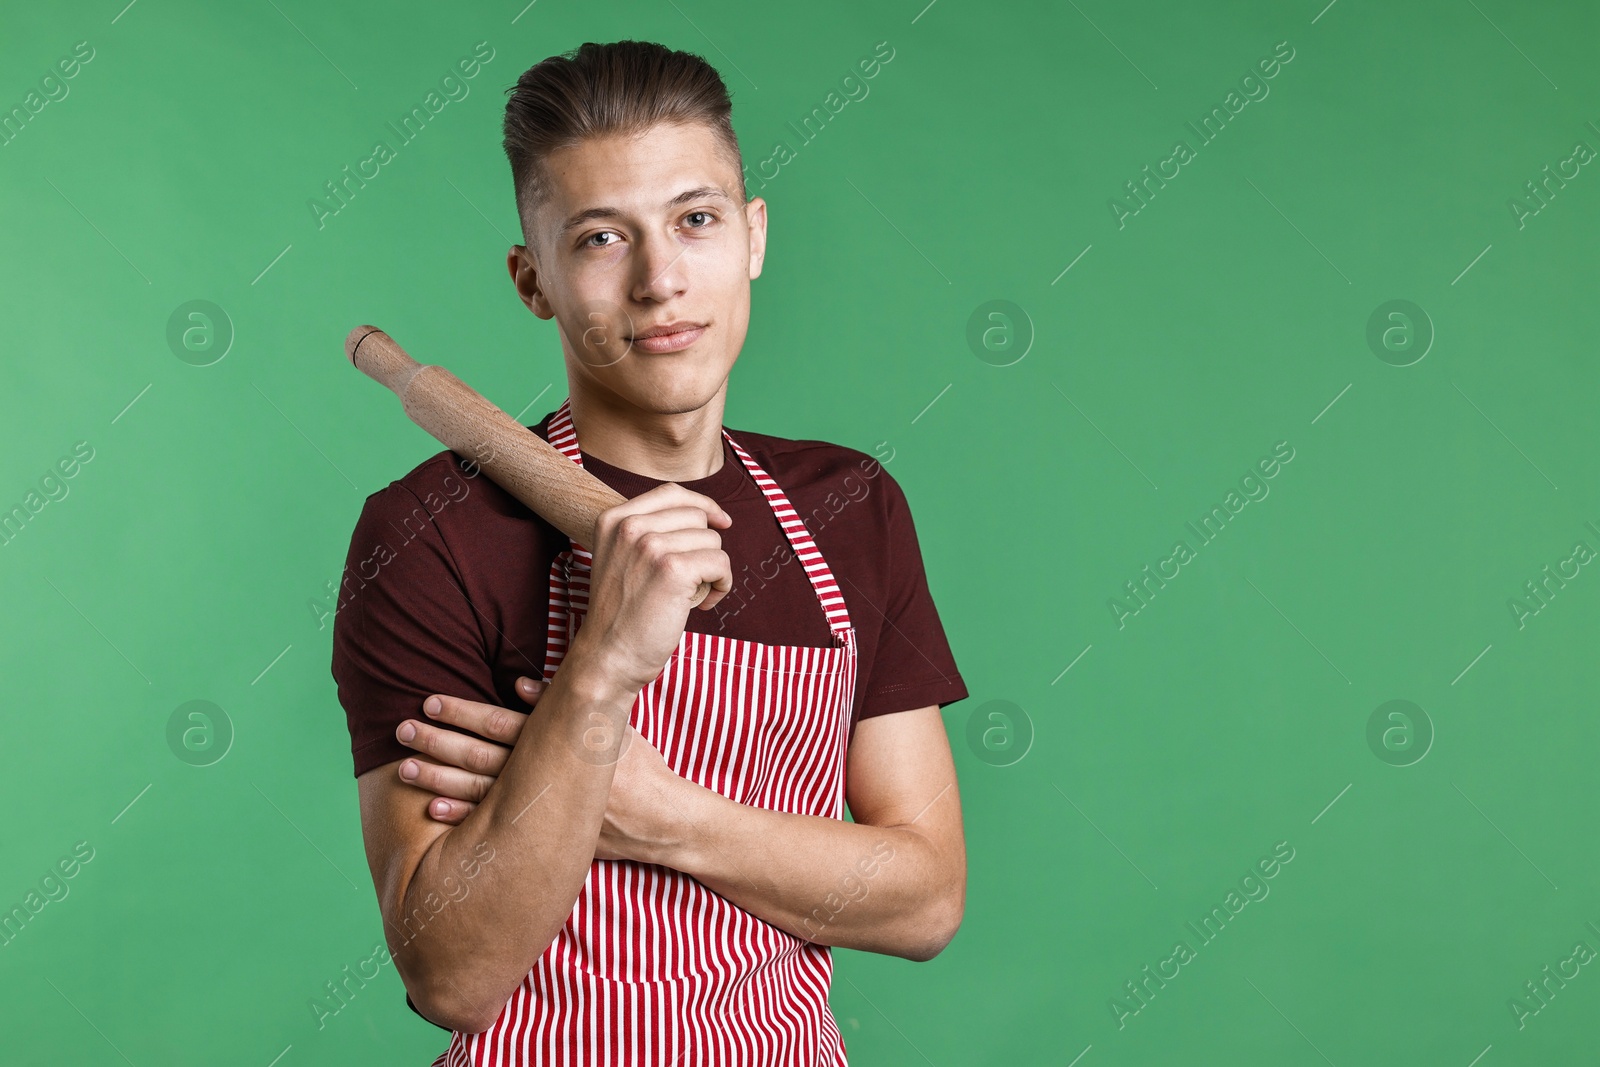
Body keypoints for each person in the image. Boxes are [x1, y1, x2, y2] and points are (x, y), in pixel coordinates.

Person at [332, 39, 968, 1066]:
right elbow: (450, 971)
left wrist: (655, 812)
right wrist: (601, 673)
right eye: (598, 238)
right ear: (532, 279)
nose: (661, 279)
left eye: (695, 219)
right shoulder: (429, 534)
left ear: (752, 236)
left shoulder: (850, 506)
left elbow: (925, 895)